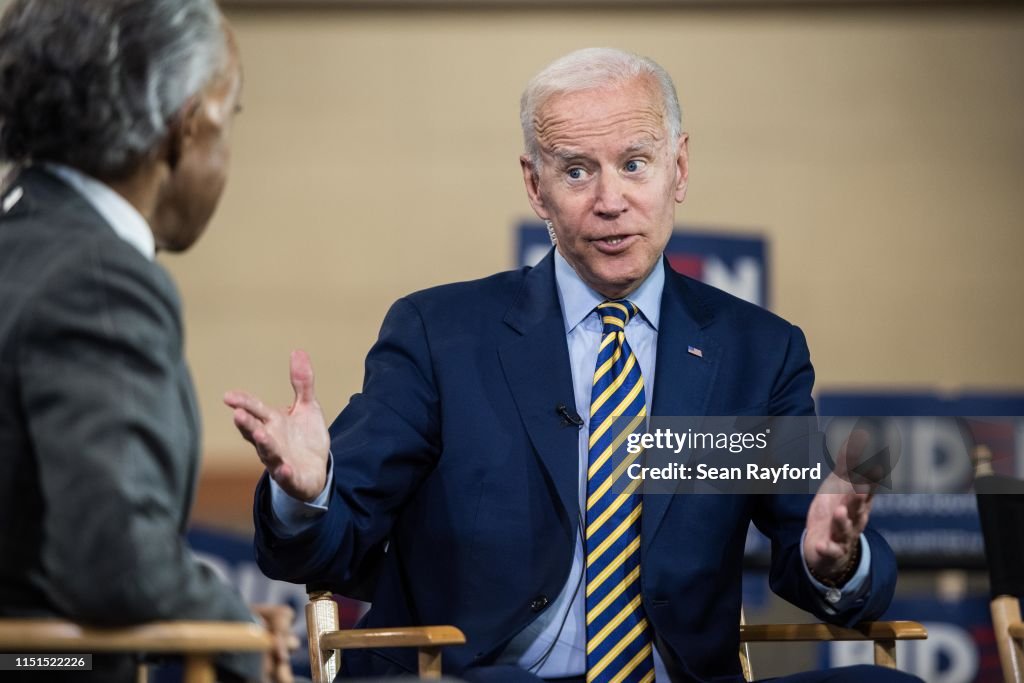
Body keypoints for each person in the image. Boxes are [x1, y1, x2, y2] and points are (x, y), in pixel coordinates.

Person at [227, 49, 919, 683]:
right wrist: (307, 492)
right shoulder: (442, 336)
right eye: (577, 170)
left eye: (635, 163)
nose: (610, 200)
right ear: (536, 186)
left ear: (679, 169)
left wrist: (836, 558)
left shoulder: (754, 352)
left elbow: (812, 534)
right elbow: (331, 541)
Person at [0, 1, 294, 681]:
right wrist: (241, 634)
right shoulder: (99, 280)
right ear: (186, 125)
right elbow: (117, 564)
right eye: (231, 118)